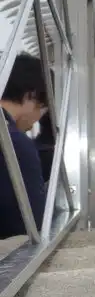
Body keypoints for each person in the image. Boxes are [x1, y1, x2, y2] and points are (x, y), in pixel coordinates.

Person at [0, 52, 49, 239]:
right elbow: (31, 226)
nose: (38, 119)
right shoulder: (16, 145)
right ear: (31, 96)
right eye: (43, 109)